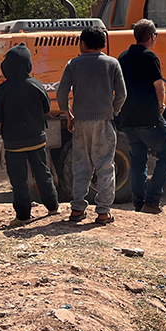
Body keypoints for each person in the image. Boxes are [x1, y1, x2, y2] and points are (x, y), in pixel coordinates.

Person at [56, 26, 127, 225]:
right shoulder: (112, 63)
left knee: (81, 165)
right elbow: (122, 94)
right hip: (104, 121)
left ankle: (78, 208)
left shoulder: (73, 64)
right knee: (105, 165)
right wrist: (113, 111)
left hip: (80, 122)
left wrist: (68, 113)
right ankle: (103, 211)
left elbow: (62, 92)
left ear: (82, 43)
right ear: (103, 44)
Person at [0, 44, 61, 224]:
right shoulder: (36, 84)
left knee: (18, 179)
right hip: (37, 139)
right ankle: (53, 207)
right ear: (28, 64)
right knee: (43, 173)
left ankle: (23, 215)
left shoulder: (2, 89)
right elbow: (46, 108)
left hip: (13, 143)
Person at [118, 19, 166, 214]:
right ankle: (152, 200)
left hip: (128, 119)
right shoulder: (150, 57)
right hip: (148, 118)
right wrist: (161, 107)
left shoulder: (123, 57)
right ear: (152, 37)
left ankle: (139, 202)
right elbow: (159, 85)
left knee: (137, 160)